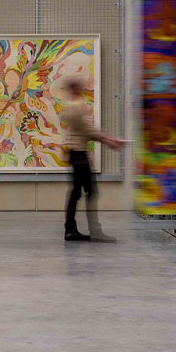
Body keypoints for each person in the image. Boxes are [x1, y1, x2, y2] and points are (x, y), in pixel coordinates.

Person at [60, 76, 125, 243]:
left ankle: (70, 229)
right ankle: (93, 231)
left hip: (76, 154)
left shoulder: (72, 106)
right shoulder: (75, 108)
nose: (83, 90)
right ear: (75, 89)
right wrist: (109, 140)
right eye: (80, 87)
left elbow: (87, 131)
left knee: (76, 192)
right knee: (90, 191)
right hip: (79, 155)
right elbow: (88, 131)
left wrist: (108, 139)